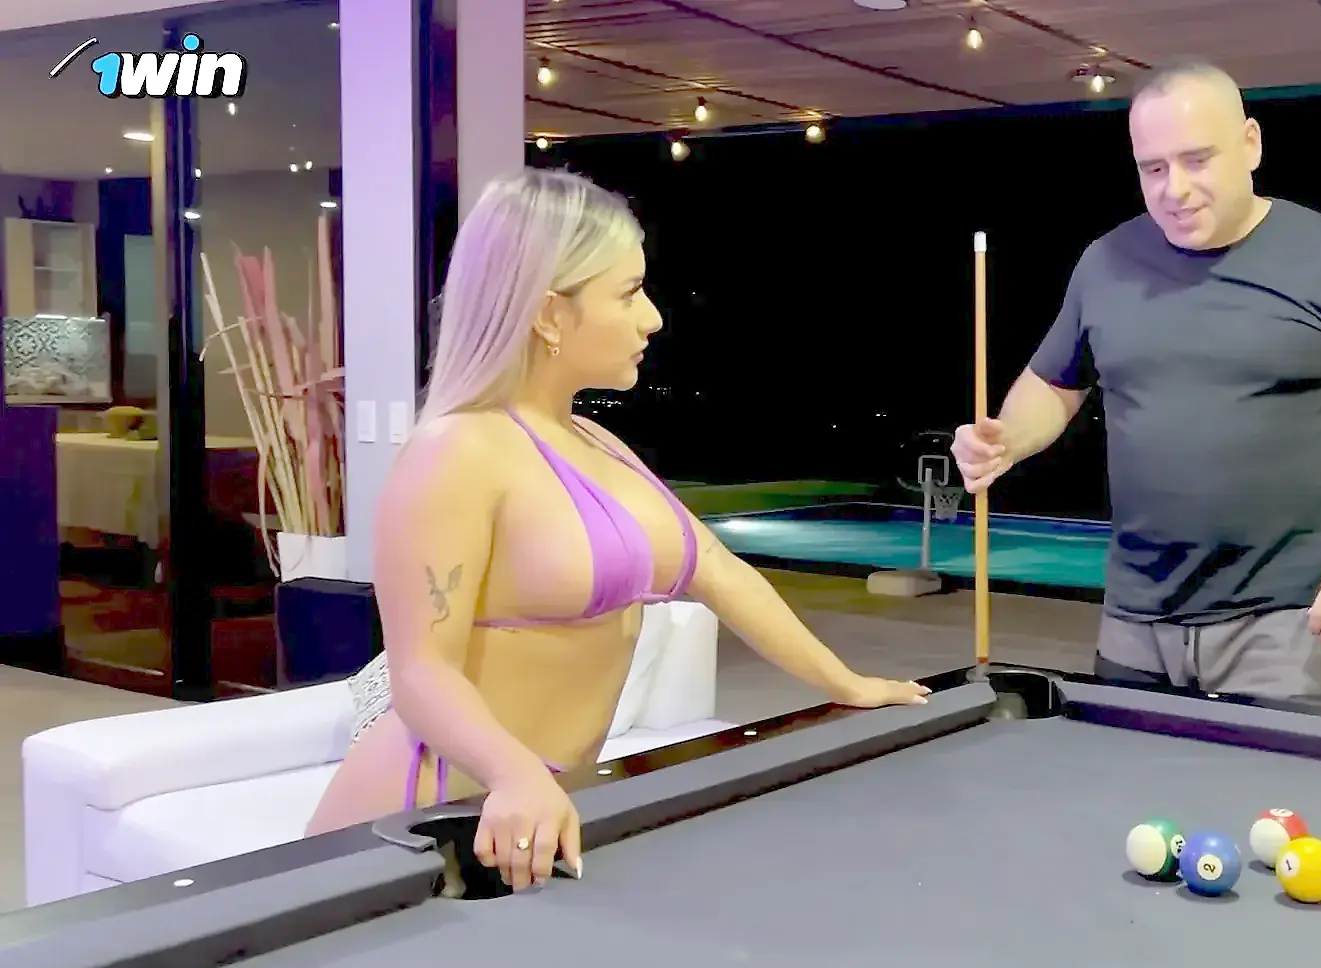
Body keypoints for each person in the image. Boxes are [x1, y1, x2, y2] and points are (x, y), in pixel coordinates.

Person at [307, 168, 928, 889]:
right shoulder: (456, 451)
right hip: (430, 818)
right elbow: (421, 671)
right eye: (629, 293)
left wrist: (847, 682)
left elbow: (723, 574)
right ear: (550, 314)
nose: (653, 318)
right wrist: (514, 775)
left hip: (540, 811)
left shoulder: (598, 443)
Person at [951, 59, 1321, 701]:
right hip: (1133, 613)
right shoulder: (1105, 262)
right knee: (1129, 767)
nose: (1174, 189)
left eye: (1197, 160)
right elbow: (1053, 386)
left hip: (1284, 619)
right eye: (1153, 168)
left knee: (1263, 772)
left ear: (1251, 144)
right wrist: (1007, 438)